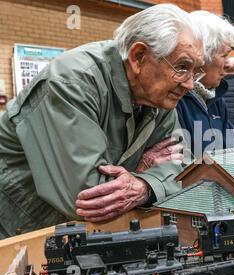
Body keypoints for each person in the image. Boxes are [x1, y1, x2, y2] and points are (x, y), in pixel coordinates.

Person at [0, 4, 204, 238]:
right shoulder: (71, 82)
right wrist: (146, 168)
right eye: (182, 67)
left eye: (194, 71)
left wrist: (144, 186)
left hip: (70, 238)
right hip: (16, 229)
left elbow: (186, 173)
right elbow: (92, 199)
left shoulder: (159, 98)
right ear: (139, 57)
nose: (190, 85)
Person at [176, 11, 234, 158]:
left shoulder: (216, 98)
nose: (227, 64)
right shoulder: (175, 100)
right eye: (224, 55)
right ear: (200, 56)